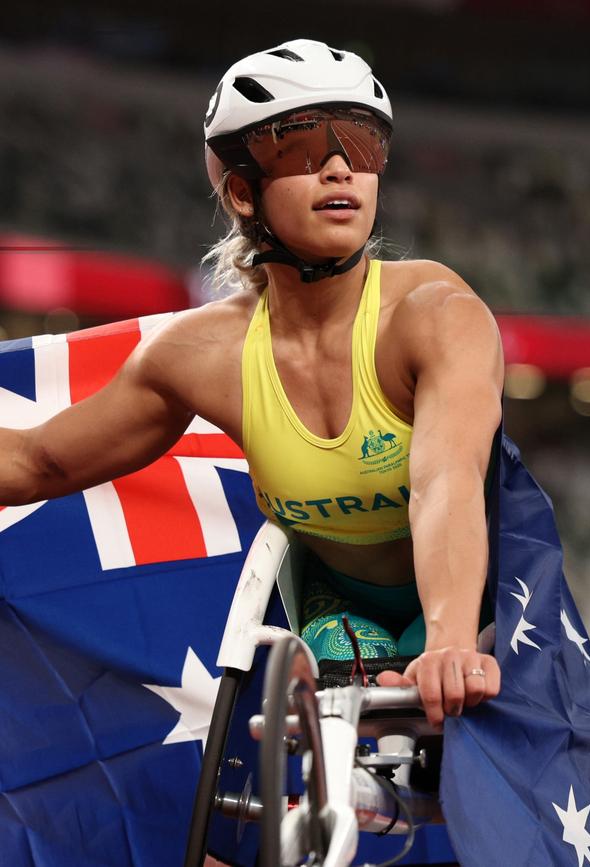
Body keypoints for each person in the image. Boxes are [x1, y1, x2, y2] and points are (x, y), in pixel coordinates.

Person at [0, 39, 502, 729]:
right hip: (337, 613)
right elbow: (36, 460)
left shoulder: (437, 314)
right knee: (254, 807)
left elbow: (445, 480)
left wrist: (447, 639)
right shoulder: (201, 354)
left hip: (482, 604)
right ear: (242, 190)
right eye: (302, 148)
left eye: (359, 144)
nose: (338, 168)